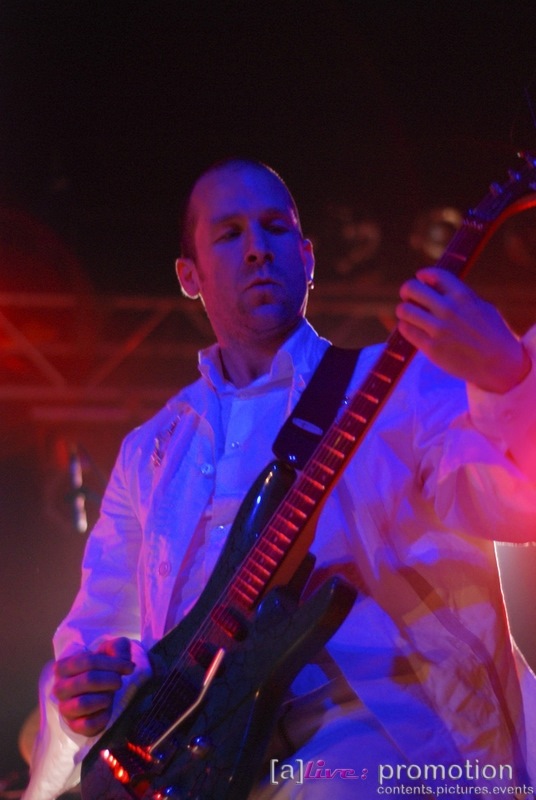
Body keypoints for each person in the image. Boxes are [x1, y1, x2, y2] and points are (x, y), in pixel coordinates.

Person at [22, 158, 536, 799]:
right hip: (194, 758)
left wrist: (509, 376)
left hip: (370, 739)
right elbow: (104, 624)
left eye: (275, 227)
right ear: (189, 276)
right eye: (229, 234)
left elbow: (513, 505)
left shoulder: (396, 383)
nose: (258, 249)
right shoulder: (149, 450)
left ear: (307, 257)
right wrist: (87, 683)